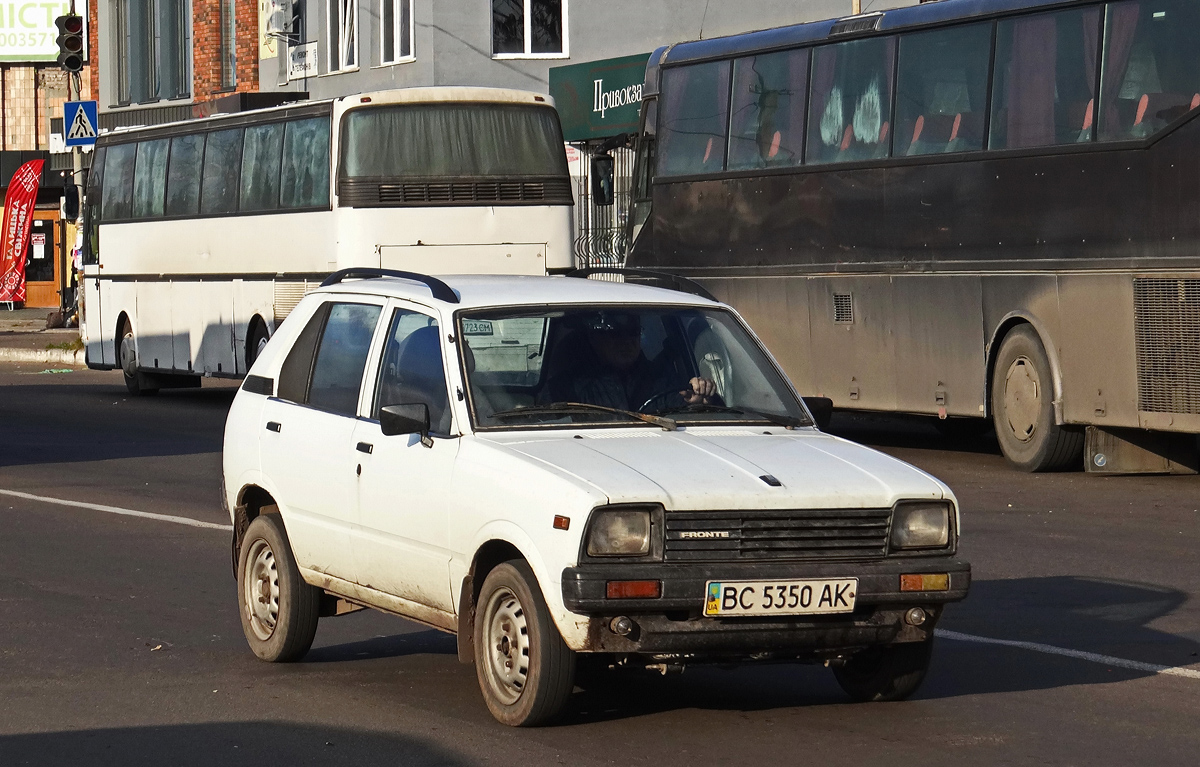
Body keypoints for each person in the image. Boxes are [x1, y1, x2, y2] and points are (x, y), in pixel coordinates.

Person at [546, 310, 719, 412]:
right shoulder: (568, 387)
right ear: (595, 339)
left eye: (633, 332)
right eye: (616, 334)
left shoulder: (662, 380)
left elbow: (681, 418)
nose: (627, 341)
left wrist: (698, 404)